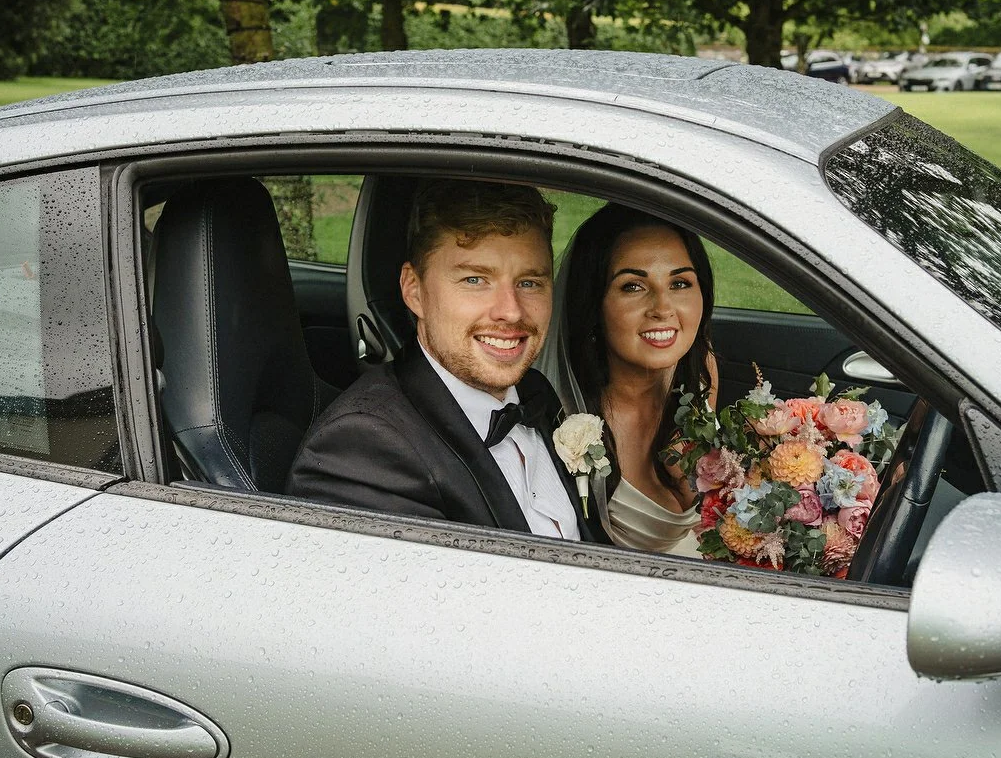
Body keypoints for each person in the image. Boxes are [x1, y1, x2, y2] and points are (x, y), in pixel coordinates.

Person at [286, 180, 607, 543]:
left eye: (530, 282)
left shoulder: (536, 394)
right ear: (414, 290)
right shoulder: (363, 449)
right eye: (475, 279)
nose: (511, 311)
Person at [542, 204, 718, 556]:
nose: (663, 308)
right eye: (634, 286)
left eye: (680, 282)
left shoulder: (702, 371)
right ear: (594, 304)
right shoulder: (559, 418)